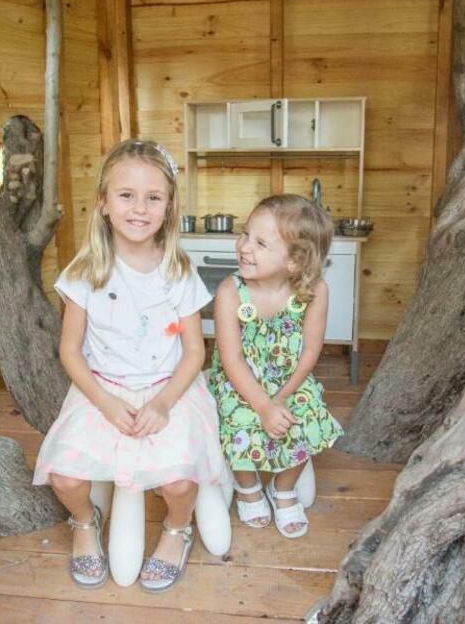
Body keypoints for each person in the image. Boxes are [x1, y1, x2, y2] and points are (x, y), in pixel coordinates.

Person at [33, 139, 224, 592]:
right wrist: (104, 402)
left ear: (168, 206)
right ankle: (85, 521)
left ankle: (177, 527)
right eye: (126, 195)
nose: (140, 208)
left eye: (153, 197)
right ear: (103, 202)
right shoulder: (84, 273)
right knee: (64, 478)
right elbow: (70, 351)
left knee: (179, 484)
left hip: (170, 388)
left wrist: (161, 404)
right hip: (102, 389)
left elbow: (195, 353)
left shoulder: (178, 272)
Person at [207, 194, 344, 539]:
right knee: (236, 418)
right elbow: (231, 359)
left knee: (307, 416)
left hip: (289, 380)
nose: (244, 246)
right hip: (240, 380)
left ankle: (283, 489)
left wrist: (281, 398)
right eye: (245, 234)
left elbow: (310, 352)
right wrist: (263, 405)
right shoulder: (231, 291)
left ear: (295, 262)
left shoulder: (315, 292)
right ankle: (247, 486)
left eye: (260, 243)